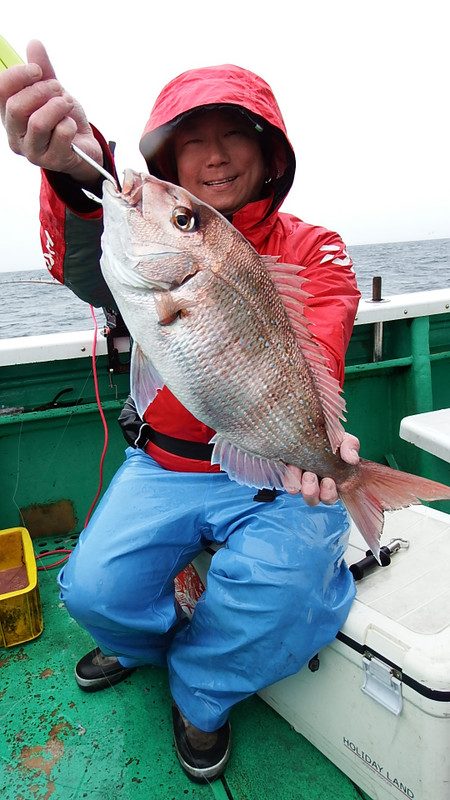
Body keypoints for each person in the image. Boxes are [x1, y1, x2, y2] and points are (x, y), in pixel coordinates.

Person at [0, 41, 361, 783]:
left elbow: (319, 342)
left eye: (235, 135)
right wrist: (76, 166)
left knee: (291, 588)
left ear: (270, 155)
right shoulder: (141, 237)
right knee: (92, 591)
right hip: (163, 463)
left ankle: (202, 694)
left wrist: (322, 441)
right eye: (190, 142)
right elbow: (82, 255)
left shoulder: (315, 248)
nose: (216, 156)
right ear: (166, 163)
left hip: (276, 468)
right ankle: (140, 640)